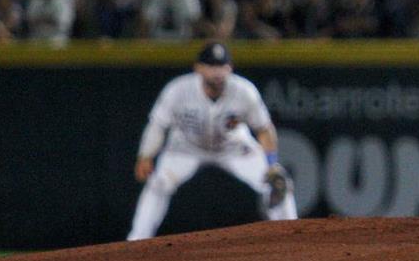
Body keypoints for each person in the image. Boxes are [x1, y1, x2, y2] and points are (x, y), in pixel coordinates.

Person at [127, 42, 298, 240]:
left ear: (230, 68)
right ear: (198, 68)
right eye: (211, 65)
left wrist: (271, 164)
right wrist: (146, 155)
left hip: (233, 147)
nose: (217, 71)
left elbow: (264, 130)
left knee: (277, 182)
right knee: (158, 183)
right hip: (185, 147)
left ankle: (293, 238)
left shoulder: (244, 91)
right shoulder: (178, 90)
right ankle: (136, 241)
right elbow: (158, 125)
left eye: (222, 66)